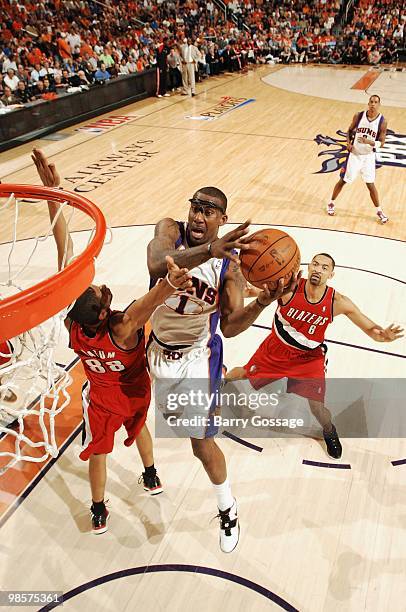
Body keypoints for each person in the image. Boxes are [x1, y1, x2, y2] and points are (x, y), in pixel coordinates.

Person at [32, 149, 192, 534]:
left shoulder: (74, 323)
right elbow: (151, 299)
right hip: (135, 391)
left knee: (99, 453)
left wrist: (54, 196)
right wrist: (171, 281)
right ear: (104, 314)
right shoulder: (122, 326)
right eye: (103, 295)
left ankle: (99, 510)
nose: (103, 288)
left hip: (101, 399)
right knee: (140, 429)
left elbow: (65, 255)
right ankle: (151, 475)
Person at [147, 188, 299, 552]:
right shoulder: (170, 231)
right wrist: (206, 251)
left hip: (198, 357)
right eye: (196, 208)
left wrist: (262, 302)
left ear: (222, 220)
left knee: (200, 444)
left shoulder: (228, 266)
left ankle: (227, 505)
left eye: (209, 212)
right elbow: (156, 263)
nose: (199, 217)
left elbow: (229, 326)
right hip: (155, 345)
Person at [225, 253, 403, 458]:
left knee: (317, 407)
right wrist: (230, 282)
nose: (318, 269)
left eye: (325, 267)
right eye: (315, 264)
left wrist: (385, 337)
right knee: (244, 373)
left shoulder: (338, 301)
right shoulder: (288, 287)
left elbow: (373, 331)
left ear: (331, 274)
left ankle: (329, 431)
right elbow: (248, 290)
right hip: (276, 349)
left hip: (309, 358)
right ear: (308, 268)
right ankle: (220, 383)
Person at [327, 95, 388, 224]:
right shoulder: (359, 116)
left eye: (375, 102)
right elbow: (349, 130)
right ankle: (331, 203)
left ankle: (379, 211)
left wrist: (370, 142)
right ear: (368, 103)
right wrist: (348, 143)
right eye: (371, 101)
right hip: (354, 155)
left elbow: (382, 142)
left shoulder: (382, 121)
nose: (373, 104)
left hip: (368, 157)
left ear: (379, 105)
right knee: (343, 180)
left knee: (370, 185)